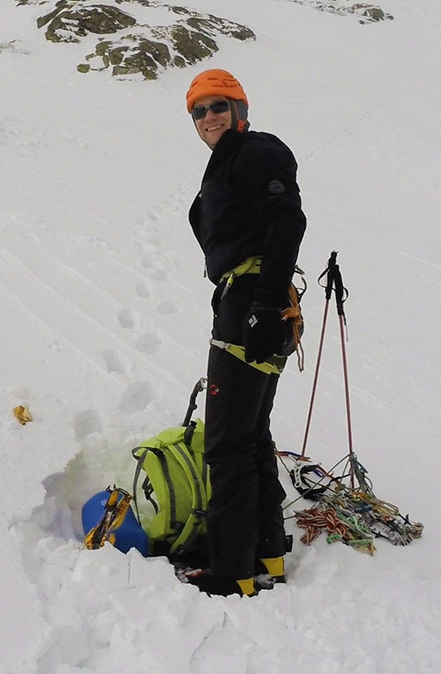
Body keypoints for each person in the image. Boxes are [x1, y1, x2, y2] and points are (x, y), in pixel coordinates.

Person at [184, 68, 307, 597]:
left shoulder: (258, 151)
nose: (208, 117)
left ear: (240, 109)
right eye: (198, 111)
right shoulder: (228, 166)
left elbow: (288, 222)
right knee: (251, 435)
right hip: (253, 300)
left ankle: (231, 568)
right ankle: (268, 554)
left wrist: (260, 302)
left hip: (252, 303)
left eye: (218, 106)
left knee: (226, 444)